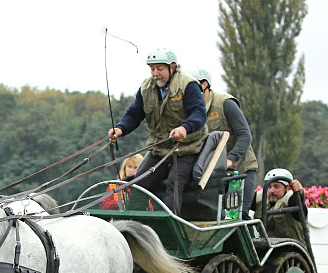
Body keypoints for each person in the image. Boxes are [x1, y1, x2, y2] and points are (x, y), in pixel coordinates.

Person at [108, 48, 207, 214]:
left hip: (186, 148)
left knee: (173, 185)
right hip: (159, 148)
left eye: (160, 68)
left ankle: (170, 229)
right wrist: (120, 129)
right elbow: (135, 113)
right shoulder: (146, 87)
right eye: (152, 69)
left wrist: (184, 128)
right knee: (138, 184)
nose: (155, 73)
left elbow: (199, 113)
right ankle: (133, 226)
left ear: (172, 68)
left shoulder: (188, 85)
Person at [193, 68, 258, 219]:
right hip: (216, 175)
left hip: (241, 169)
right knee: (214, 217)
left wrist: (229, 160)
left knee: (239, 216)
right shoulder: (192, 110)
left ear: (204, 85)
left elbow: (245, 135)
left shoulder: (225, 103)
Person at [250, 168, 308, 242]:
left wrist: (299, 192)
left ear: (288, 188)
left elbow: (296, 201)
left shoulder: (290, 198)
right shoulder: (260, 197)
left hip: (292, 248)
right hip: (267, 248)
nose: (271, 191)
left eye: (276, 186)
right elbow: (244, 204)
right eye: (269, 186)